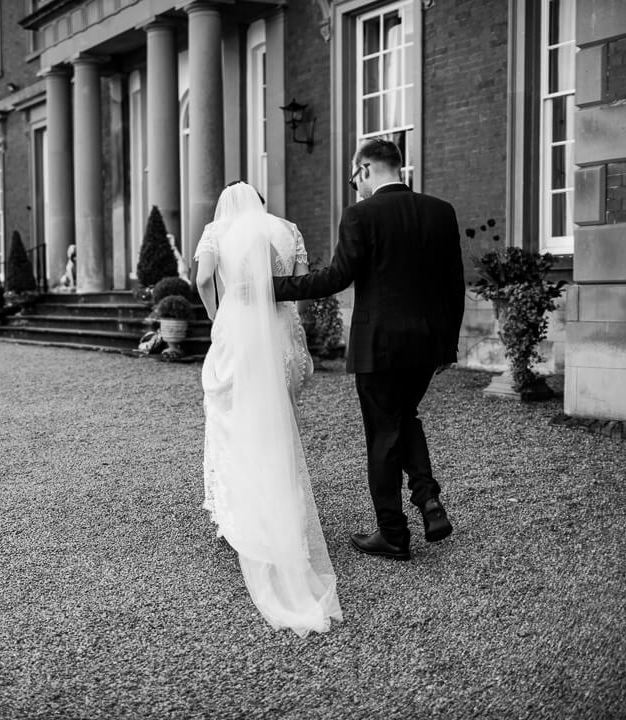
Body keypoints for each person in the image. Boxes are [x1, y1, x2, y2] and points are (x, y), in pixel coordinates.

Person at [273, 138, 466, 562]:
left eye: (351, 178)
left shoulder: (361, 215)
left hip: (379, 346)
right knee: (404, 417)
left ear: (364, 170)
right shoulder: (440, 211)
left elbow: (335, 278)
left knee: (382, 433)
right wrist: (447, 346)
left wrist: (274, 287)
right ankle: (428, 499)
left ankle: (393, 534)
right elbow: (454, 285)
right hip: (426, 344)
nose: (352, 187)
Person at [194, 181, 341, 637]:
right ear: (260, 201)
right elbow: (297, 284)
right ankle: (287, 513)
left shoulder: (217, 230)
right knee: (280, 425)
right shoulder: (287, 229)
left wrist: (217, 314)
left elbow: (202, 279)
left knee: (236, 422)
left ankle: (247, 517)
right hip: (281, 335)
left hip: (239, 334)